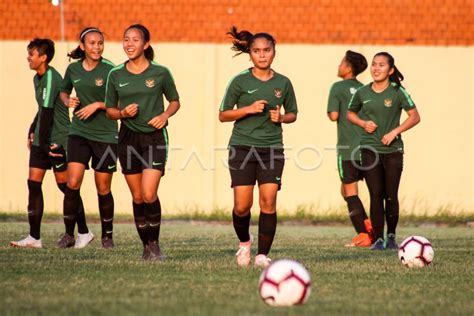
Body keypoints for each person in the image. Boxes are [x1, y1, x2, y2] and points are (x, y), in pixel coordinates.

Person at [219, 26, 298, 267]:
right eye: (256, 51)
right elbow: (223, 115)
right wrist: (248, 109)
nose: (262, 55)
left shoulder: (283, 83)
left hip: (272, 149)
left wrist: (282, 118)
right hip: (242, 148)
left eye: (267, 50)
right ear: (250, 53)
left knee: (268, 201)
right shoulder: (239, 81)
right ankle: (244, 243)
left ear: (274, 51)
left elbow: (293, 113)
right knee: (242, 206)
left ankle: (262, 255)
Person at [105, 24, 180, 260]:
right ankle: (146, 247)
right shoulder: (115, 74)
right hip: (128, 137)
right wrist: (122, 113)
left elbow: (175, 101)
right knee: (137, 197)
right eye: (126, 39)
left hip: (154, 137)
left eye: (135, 40)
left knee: (149, 194)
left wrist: (164, 116)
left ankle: (155, 244)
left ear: (145, 44)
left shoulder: (160, 72)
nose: (129, 44)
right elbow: (109, 111)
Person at [347, 52, 420, 250]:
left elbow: (414, 116)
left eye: (381, 65)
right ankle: (378, 239)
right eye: (373, 65)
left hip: (393, 150)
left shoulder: (398, 91)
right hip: (369, 149)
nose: (376, 69)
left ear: (391, 70)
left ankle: (391, 237)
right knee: (376, 194)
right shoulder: (362, 92)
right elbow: (349, 114)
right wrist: (363, 123)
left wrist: (394, 132)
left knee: (391, 195)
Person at [57, 27, 117, 249]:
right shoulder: (73, 70)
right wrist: (67, 101)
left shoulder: (112, 70)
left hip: (106, 134)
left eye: (100, 43)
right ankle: (68, 235)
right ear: (82, 46)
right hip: (79, 132)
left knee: (103, 187)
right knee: (72, 182)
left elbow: (118, 104)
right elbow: (63, 91)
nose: (97, 47)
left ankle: (107, 237)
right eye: (92, 43)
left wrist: (98, 105)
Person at [10, 38, 71, 248]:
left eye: (32, 54)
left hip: (58, 138)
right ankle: (34, 237)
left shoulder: (53, 77)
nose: (28, 58)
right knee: (33, 183)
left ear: (43, 58)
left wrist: (44, 144)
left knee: (66, 186)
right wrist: (31, 130)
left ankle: (83, 230)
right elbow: (41, 110)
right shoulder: (38, 77)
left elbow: (48, 112)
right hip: (42, 138)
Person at [327, 50, 374, 247]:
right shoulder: (365, 89)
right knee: (350, 191)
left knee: (350, 191)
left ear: (348, 68)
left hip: (347, 148)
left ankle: (363, 235)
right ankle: (370, 227)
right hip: (368, 147)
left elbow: (334, 115)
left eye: (341, 62)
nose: (338, 65)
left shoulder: (338, 87)